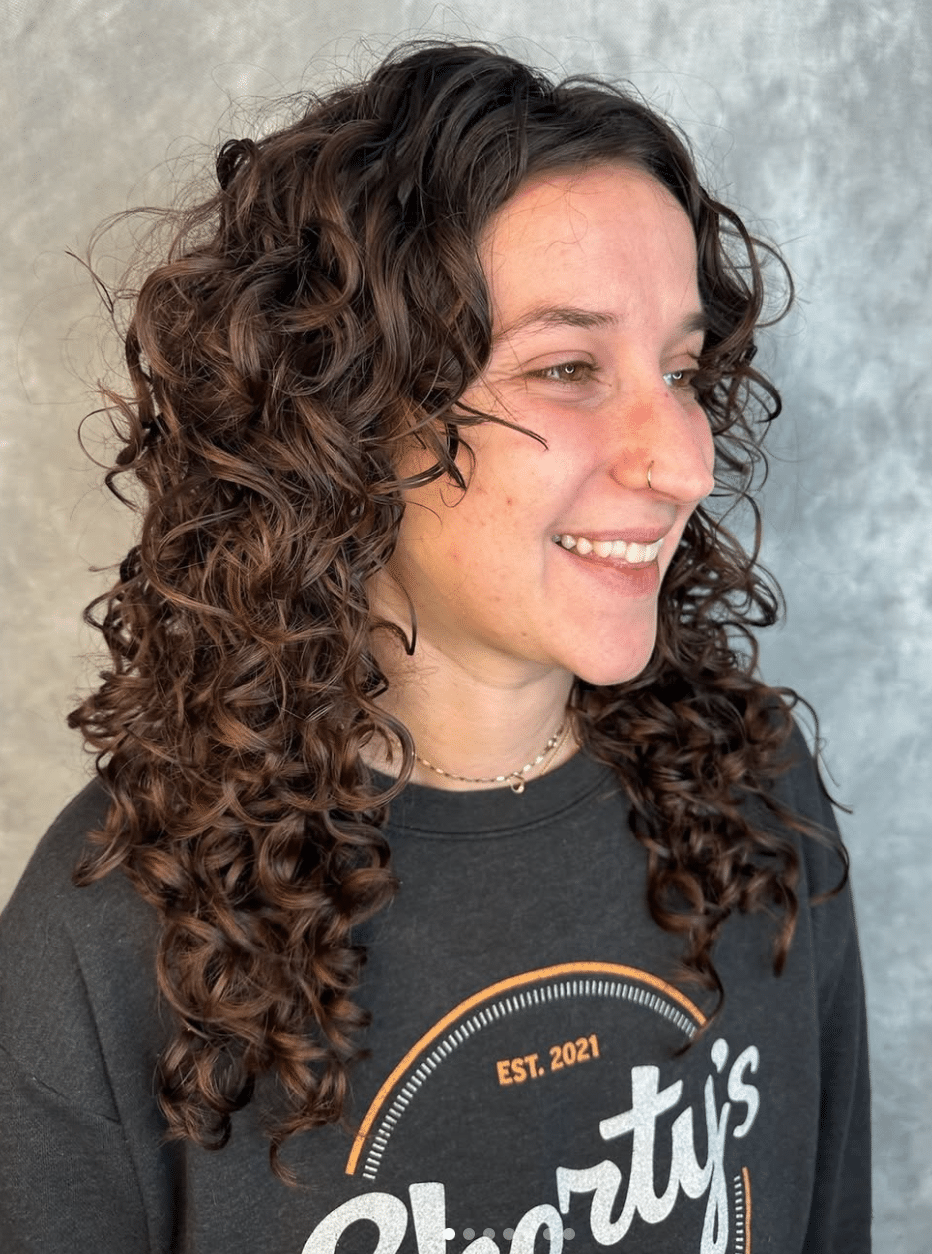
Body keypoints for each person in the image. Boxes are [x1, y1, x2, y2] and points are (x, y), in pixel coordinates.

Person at [0, 40, 869, 1254]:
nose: (682, 461)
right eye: (565, 368)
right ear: (349, 415)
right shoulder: (114, 934)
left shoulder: (756, 790)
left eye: (680, 370)